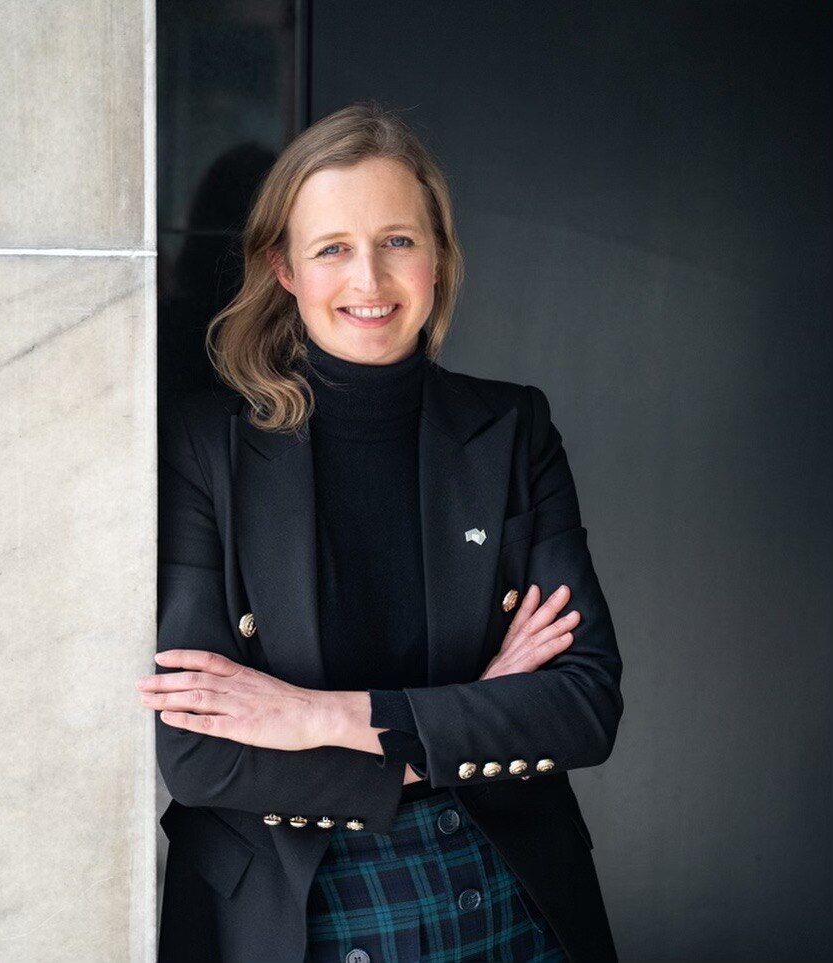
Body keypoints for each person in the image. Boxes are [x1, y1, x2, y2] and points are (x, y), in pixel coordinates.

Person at [137, 101, 623, 963]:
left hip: (507, 887)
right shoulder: (199, 447)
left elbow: (581, 707)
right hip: (296, 910)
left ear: (437, 255)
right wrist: (470, 709)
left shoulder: (513, 428)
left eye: (398, 240)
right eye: (332, 248)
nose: (369, 279)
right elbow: (200, 756)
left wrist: (312, 715)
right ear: (282, 266)